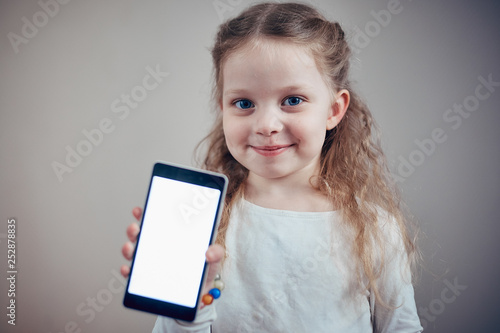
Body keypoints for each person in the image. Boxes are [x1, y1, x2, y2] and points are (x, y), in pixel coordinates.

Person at [121, 2, 423, 332]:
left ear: (334, 110)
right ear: (222, 108)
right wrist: (188, 308)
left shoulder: (375, 229)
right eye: (244, 103)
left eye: (292, 100)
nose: (266, 124)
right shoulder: (205, 224)